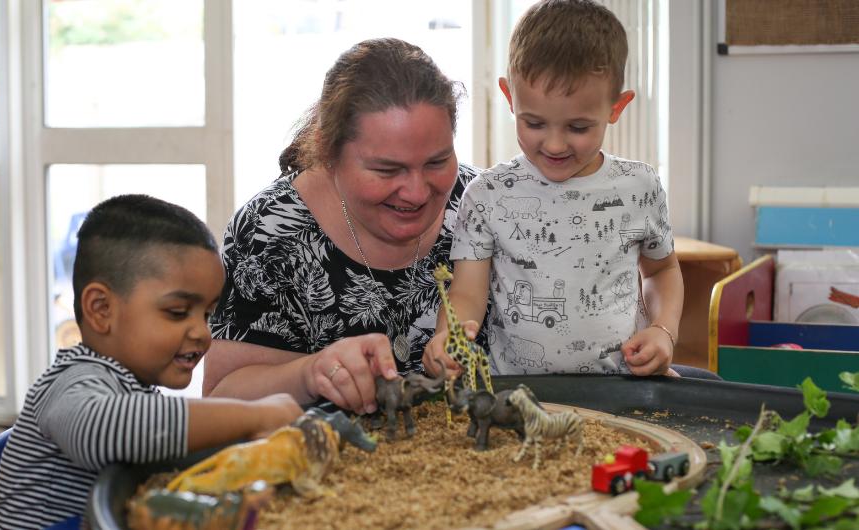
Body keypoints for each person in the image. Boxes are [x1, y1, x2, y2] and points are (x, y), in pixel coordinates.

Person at [0, 195, 302, 529]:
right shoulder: (73, 381)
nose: (202, 332)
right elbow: (102, 428)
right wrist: (258, 414)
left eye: (208, 314)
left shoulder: (135, 389)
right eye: (178, 312)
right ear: (101, 309)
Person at [204, 38, 483, 415]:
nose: (417, 192)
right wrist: (309, 373)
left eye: (437, 162)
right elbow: (221, 395)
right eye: (387, 169)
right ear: (329, 150)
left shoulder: (482, 207)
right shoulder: (269, 232)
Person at [423, 0, 684, 378]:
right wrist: (449, 338)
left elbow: (662, 271)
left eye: (578, 127)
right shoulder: (487, 195)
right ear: (510, 97)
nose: (556, 145)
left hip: (622, 387)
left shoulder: (639, 187)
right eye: (535, 123)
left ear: (617, 106)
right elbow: (466, 294)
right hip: (517, 394)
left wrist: (663, 331)